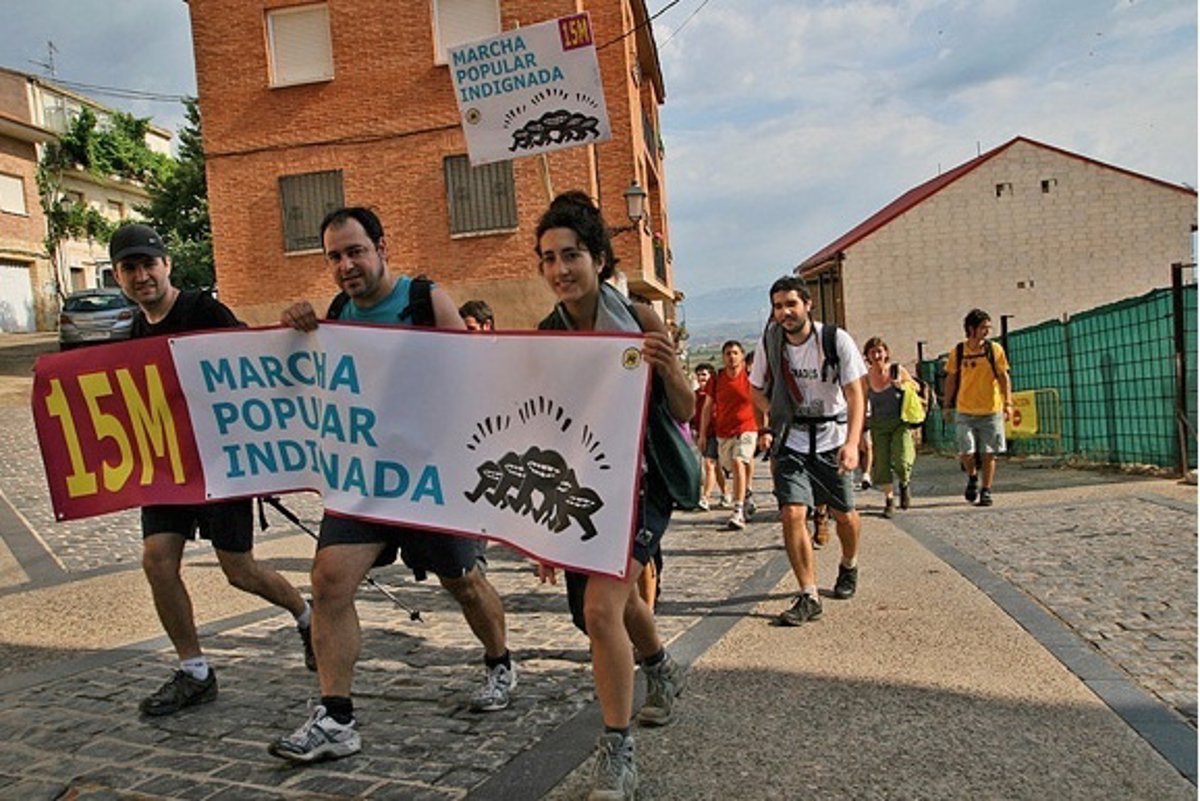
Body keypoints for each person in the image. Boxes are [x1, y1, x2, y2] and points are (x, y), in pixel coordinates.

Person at [269, 207, 516, 763]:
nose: (346, 265)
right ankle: (336, 718)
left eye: (355, 251)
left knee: (463, 582)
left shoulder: (426, 300)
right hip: (364, 479)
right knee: (329, 582)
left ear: (382, 248)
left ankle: (499, 660)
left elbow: (472, 378)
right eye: (334, 256)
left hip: (429, 479)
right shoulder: (336, 314)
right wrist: (293, 332)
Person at [108, 223, 314, 716]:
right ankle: (195, 671)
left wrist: (291, 329)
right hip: (168, 469)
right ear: (117, 276)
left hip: (222, 466)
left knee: (239, 571)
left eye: (148, 264)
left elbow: (254, 365)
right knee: (157, 561)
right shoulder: (133, 331)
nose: (141, 276)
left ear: (167, 265)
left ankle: (306, 615)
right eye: (129, 268)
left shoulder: (204, 311)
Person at [534, 191, 691, 801]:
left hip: (645, 485)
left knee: (602, 609)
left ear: (598, 259)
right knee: (605, 611)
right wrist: (541, 527)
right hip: (584, 491)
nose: (559, 269)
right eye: (549, 258)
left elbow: (683, 410)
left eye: (571, 254)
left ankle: (617, 752)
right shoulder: (547, 337)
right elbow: (545, 430)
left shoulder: (640, 319)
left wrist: (668, 367)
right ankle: (661, 668)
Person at [750, 276, 867, 626]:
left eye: (791, 304)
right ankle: (808, 593)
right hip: (792, 441)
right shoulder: (770, 341)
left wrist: (852, 443)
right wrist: (774, 416)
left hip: (832, 438)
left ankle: (849, 563)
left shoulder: (834, 339)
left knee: (844, 515)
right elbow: (754, 389)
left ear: (807, 304)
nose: (784, 312)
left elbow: (855, 395)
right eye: (778, 306)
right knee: (792, 513)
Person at [942, 308, 1014, 507]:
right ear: (971, 329)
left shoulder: (994, 350)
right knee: (966, 451)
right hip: (965, 410)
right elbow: (951, 379)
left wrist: (1008, 403)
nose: (987, 331)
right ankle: (973, 477)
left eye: (988, 327)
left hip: (991, 410)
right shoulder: (958, 352)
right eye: (983, 327)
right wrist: (947, 405)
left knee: (989, 453)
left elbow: (1004, 377)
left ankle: (986, 489)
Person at [700, 340, 758, 530]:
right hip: (724, 431)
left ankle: (737, 511)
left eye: (735, 353)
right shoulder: (717, 379)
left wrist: (765, 428)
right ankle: (746, 492)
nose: (731, 357)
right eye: (727, 353)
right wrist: (702, 434)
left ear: (742, 356)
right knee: (731, 465)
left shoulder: (750, 377)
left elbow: (761, 401)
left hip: (747, 427)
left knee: (738, 461)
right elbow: (707, 407)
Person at [862, 337, 919, 518]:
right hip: (878, 425)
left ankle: (904, 482)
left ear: (886, 353)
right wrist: (861, 427)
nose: (876, 355)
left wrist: (902, 385)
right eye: (872, 352)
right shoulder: (866, 378)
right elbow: (862, 403)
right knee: (882, 464)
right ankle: (889, 500)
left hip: (900, 422)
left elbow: (916, 387)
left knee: (902, 460)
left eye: (879, 351)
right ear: (867, 356)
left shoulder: (897, 370)